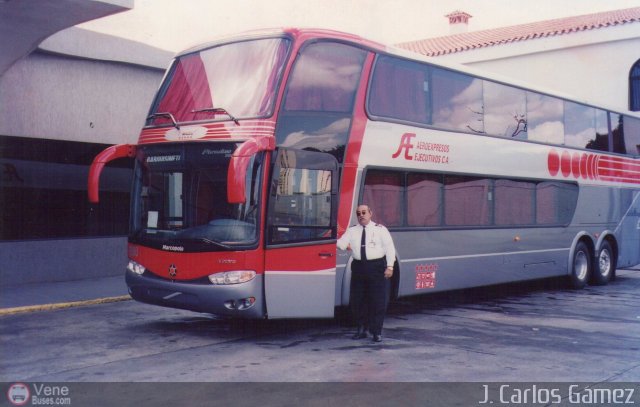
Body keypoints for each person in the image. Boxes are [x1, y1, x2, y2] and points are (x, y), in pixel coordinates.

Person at [336, 204, 396, 342]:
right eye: (358, 213)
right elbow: (342, 244)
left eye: (364, 212)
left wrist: (390, 267)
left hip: (376, 267)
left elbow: (389, 249)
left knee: (377, 300)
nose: (361, 215)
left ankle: (376, 332)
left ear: (370, 213)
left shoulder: (380, 230)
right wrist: (331, 237)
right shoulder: (352, 231)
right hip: (358, 267)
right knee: (357, 301)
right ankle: (361, 329)